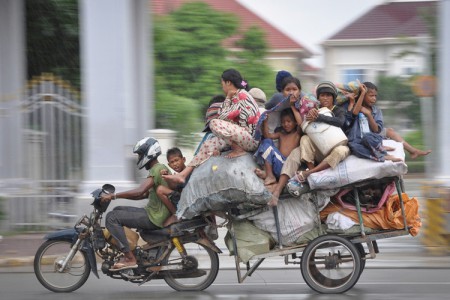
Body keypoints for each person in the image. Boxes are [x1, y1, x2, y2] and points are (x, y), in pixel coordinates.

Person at [163, 68, 260, 186]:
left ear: (228, 83)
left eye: (222, 83)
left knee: (214, 123)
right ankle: (183, 175)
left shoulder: (242, 95)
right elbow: (225, 115)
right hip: (242, 137)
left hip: (250, 139)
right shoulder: (236, 96)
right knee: (208, 144)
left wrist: (228, 98)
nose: (222, 87)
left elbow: (222, 116)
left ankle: (238, 150)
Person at [100, 137, 173, 270]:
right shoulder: (157, 169)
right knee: (118, 209)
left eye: (140, 154)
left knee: (112, 217)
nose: (139, 157)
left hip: (155, 217)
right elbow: (143, 195)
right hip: (153, 213)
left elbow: (140, 191)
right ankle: (131, 248)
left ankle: (129, 257)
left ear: (149, 153)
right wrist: (117, 198)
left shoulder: (157, 169)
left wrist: (114, 196)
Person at [295, 81, 350, 182]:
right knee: (305, 138)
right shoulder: (315, 111)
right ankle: (311, 169)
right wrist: (309, 117)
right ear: (318, 98)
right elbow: (307, 130)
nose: (325, 98)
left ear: (333, 97)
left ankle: (310, 173)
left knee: (341, 150)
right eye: (322, 95)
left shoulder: (338, 110)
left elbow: (340, 122)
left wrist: (319, 117)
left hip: (337, 147)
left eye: (328, 95)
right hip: (322, 149)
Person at [254, 77, 303, 186]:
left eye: (289, 121)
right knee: (266, 141)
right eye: (283, 122)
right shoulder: (281, 133)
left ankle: (269, 175)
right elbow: (267, 136)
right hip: (278, 163)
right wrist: (265, 122)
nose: (286, 124)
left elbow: (301, 124)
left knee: (267, 143)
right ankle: (269, 173)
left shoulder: (297, 133)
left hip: (286, 166)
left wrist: (293, 107)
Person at [344, 82, 402, 162]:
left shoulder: (376, 111)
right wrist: (363, 93)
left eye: (375, 96)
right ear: (363, 96)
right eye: (371, 96)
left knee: (368, 137)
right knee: (354, 147)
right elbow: (354, 113)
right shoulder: (354, 107)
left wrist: (368, 115)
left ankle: (383, 152)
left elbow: (376, 130)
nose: (374, 98)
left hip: (371, 138)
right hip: (356, 141)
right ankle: (381, 155)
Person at [157, 147, 187, 219]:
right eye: (172, 162)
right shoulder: (176, 175)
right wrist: (167, 177)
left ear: (183, 160)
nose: (175, 164)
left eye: (176, 160)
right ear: (169, 165)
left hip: (188, 201)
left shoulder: (187, 172)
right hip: (181, 200)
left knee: (160, 189)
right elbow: (173, 187)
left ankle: (175, 214)